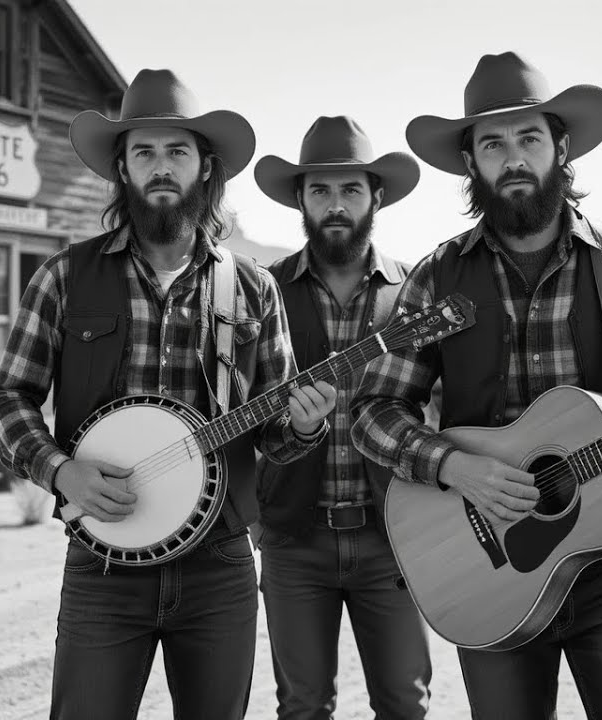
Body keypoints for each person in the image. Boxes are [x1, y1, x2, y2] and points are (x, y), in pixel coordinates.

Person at [350, 52, 602, 720]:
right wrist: (454, 466)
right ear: (470, 162)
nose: (513, 158)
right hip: (487, 568)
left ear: (560, 147)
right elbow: (374, 411)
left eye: (529, 138)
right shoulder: (435, 279)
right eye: (493, 143)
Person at [0, 68, 337, 720]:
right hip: (103, 570)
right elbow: (8, 397)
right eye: (143, 152)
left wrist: (306, 426)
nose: (161, 167)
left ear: (206, 168)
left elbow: (275, 437)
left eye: (177, 151)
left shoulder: (253, 288)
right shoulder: (65, 276)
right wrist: (59, 470)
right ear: (122, 168)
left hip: (220, 568)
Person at [253, 116, 432, 719]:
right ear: (300, 200)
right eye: (321, 191)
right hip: (292, 541)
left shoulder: (416, 295)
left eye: (351, 190)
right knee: (302, 707)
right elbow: (240, 415)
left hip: (396, 537)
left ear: (376, 197)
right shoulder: (262, 292)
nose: (336, 205)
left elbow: (450, 407)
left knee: (406, 705)